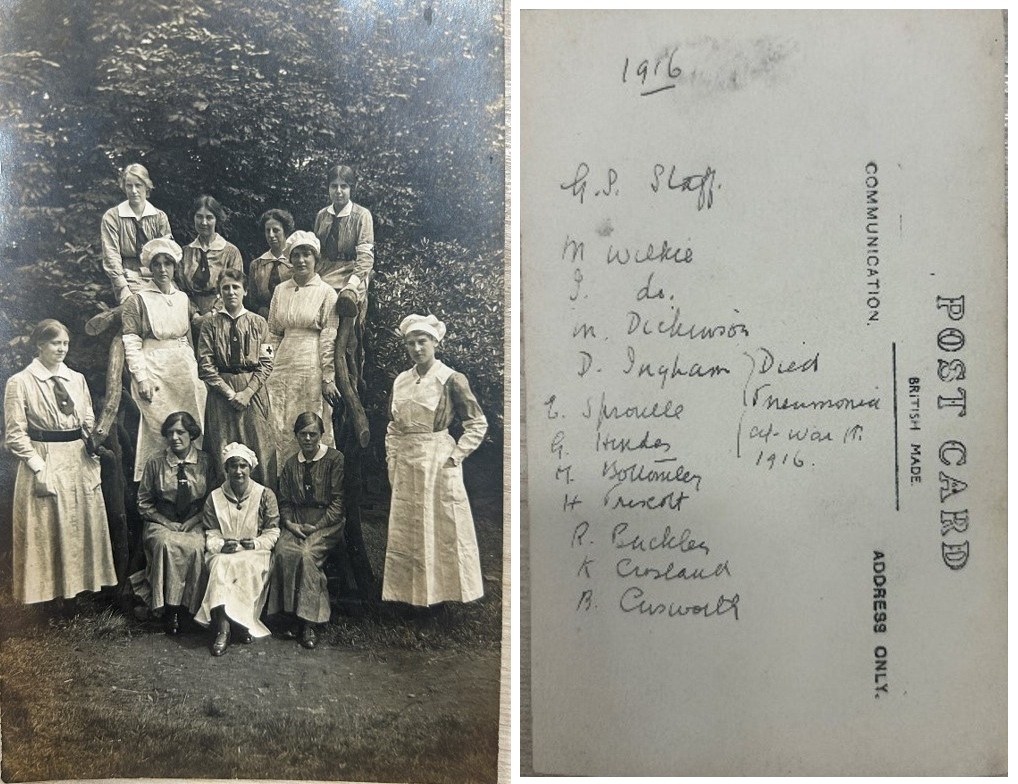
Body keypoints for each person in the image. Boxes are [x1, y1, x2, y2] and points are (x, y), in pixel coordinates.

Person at [3, 319, 117, 604]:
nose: (62, 349)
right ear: (40, 345)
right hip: (44, 457)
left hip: (78, 458)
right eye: (55, 343)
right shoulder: (20, 383)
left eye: (65, 343)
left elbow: (88, 417)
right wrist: (38, 466)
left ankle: (78, 593)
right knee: (49, 525)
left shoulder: (76, 379)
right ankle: (50, 597)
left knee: (80, 522)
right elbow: (15, 435)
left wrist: (91, 443)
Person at [382, 314, 488, 612]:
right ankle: (409, 599)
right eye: (411, 343)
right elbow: (393, 426)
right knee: (408, 529)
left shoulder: (451, 378)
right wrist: (392, 459)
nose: (417, 348)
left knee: (440, 528)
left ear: (435, 343)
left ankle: (443, 600)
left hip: (438, 460)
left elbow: (477, 423)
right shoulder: (402, 380)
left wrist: (455, 457)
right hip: (406, 458)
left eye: (422, 342)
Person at [121, 238, 207, 482]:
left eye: (167, 264)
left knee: (191, 422)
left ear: (174, 267)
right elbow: (132, 342)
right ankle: (157, 485)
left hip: (182, 368)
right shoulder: (138, 300)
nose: (162, 269)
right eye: (156, 264)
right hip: (154, 368)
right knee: (159, 431)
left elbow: (195, 325)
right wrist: (141, 378)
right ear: (149, 267)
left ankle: (193, 484)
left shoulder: (182, 298)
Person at [131, 412, 217, 634]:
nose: (175, 437)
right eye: (170, 433)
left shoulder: (206, 461)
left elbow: (212, 499)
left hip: (195, 519)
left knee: (197, 548)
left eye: (181, 432)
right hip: (161, 521)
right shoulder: (155, 463)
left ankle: (191, 610)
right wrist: (164, 522)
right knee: (165, 545)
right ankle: (169, 611)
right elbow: (143, 502)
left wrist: (195, 520)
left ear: (192, 434)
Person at [267, 412, 345, 649]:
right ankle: (289, 615)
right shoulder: (291, 464)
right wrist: (290, 524)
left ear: (321, 434)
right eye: (303, 434)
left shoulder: (335, 459)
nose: (308, 439)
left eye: (313, 434)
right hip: (298, 521)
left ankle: (309, 621)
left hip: (327, 522)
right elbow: (285, 501)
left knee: (307, 555)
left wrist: (318, 526)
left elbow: (338, 502)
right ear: (296, 436)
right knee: (282, 551)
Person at [194, 442, 279, 657]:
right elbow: (210, 533)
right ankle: (223, 628)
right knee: (223, 565)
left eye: (243, 466)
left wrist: (257, 543)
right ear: (226, 469)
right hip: (224, 552)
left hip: (255, 552)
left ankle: (241, 622)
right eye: (233, 466)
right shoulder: (215, 497)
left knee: (246, 566)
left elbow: (273, 531)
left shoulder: (264, 494)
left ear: (250, 468)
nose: (238, 471)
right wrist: (222, 545)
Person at [265, 231, 340, 472]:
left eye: (306, 254)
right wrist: (266, 367)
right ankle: (283, 483)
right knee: (279, 422)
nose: (300, 260)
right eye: (295, 255)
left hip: (311, 363)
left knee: (310, 418)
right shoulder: (281, 290)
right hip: (282, 364)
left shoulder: (327, 292)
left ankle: (316, 483)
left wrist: (328, 376)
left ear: (315, 258)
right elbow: (273, 332)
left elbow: (329, 336)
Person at [198, 270, 276, 488]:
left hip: (253, 392)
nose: (231, 292)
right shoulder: (210, 325)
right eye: (226, 288)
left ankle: (263, 507)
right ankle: (224, 510)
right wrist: (230, 394)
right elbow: (205, 365)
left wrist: (247, 393)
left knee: (260, 445)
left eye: (235, 287)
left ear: (245, 291)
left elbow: (267, 362)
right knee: (221, 446)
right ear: (219, 292)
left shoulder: (259, 323)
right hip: (221, 395)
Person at [100, 163, 173, 304]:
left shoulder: (159, 217)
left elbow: (166, 254)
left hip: (157, 275)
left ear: (147, 186)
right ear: (124, 187)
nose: (134, 191)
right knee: (137, 307)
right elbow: (111, 256)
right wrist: (123, 288)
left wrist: (145, 273)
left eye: (138, 185)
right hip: (126, 278)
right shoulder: (112, 217)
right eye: (129, 186)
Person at [312, 165, 374, 318]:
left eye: (344, 186)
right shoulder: (322, 215)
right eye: (334, 186)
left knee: (347, 304)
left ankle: (348, 338)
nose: (338, 191)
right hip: (324, 271)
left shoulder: (361, 215)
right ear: (328, 188)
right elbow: (315, 251)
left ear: (351, 188)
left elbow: (366, 256)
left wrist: (352, 284)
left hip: (352, 271)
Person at [178, 195, 244, 318]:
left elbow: (235, 288)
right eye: (199, 217)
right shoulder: (185, 253)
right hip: (189, 316)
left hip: (223, 314)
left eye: (209, 217)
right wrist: (194, 314)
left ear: (216, 219)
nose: (203, 222)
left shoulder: (230, 252)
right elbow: (180, 289)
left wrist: (213, 313)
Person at [247, 209, 295, 319]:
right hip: (264, 320)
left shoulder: (296, 261)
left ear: (285, 231)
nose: (271, 235)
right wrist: (260, 309)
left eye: (276, 230)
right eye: (267, 230)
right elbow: (251, 300)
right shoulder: (257, 265)